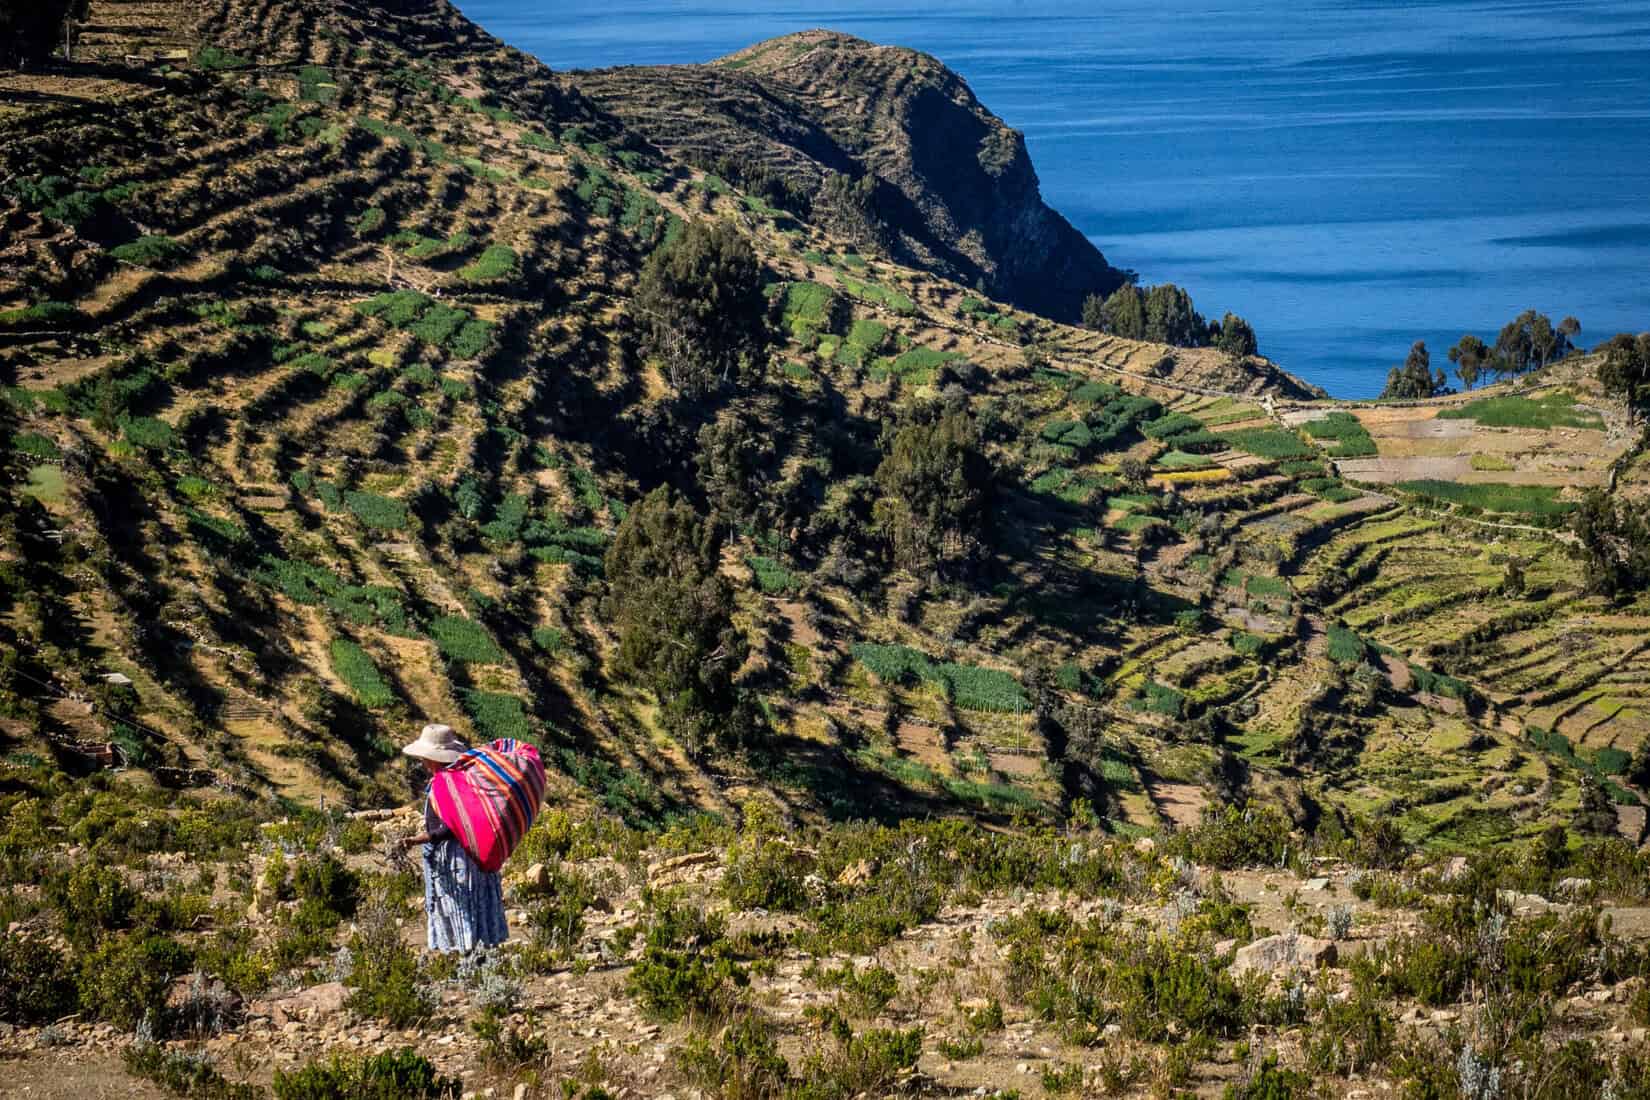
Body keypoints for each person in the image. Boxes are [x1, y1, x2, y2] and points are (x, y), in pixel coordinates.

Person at [397, 723, 508, 953]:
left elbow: (452, 827)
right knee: (470, 902)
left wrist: (422, 838)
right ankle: (476, 951)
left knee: (461, 902)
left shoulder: (448, 783)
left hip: (457, 858)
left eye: (425, 758)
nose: (423, 762)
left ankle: (467, 953)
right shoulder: (460, 779)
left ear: (433, 759)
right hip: (471, 853)